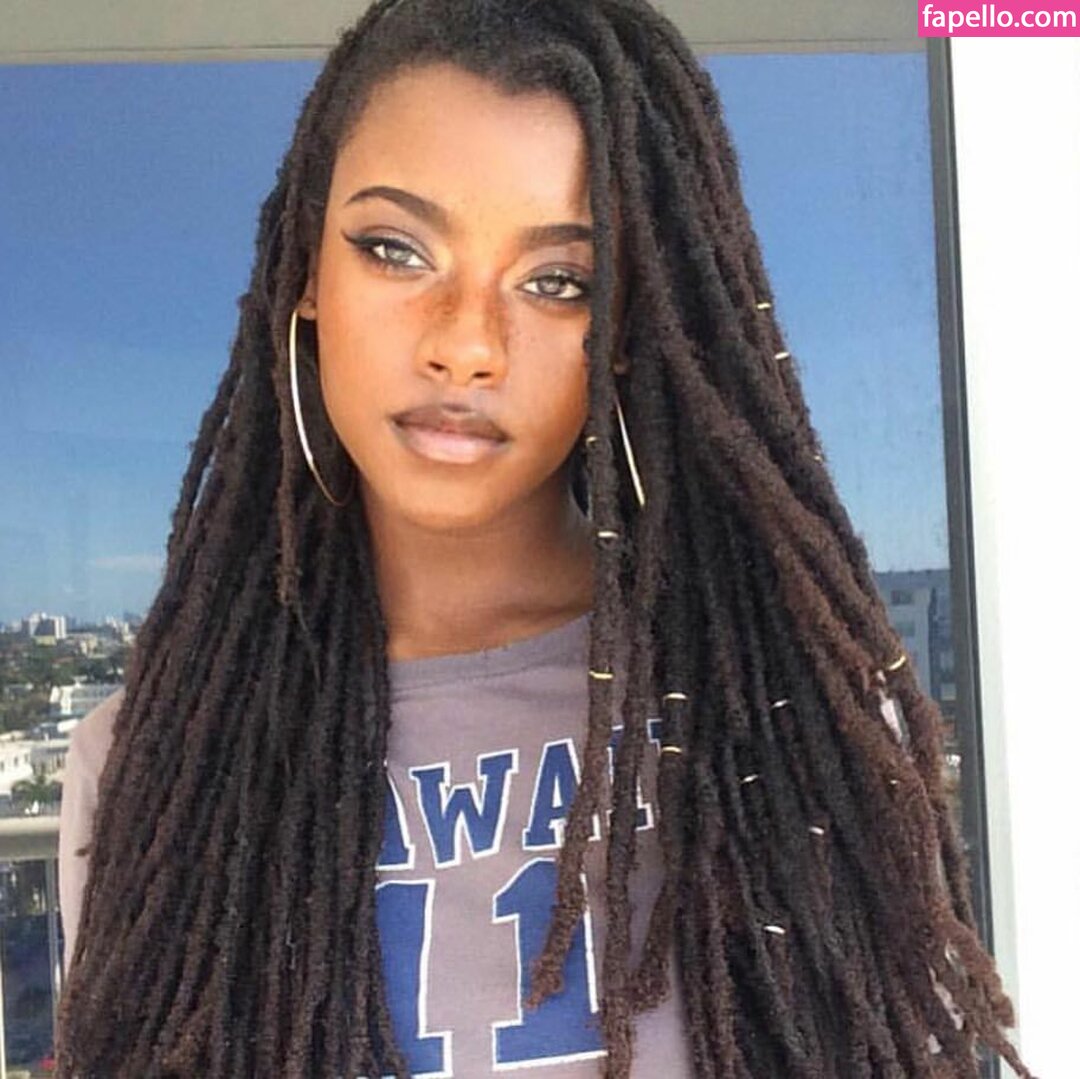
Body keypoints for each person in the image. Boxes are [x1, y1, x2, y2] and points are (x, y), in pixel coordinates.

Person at [54, 1, 1034, 1076]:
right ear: (306, 276)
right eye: (396, 249)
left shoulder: (798, 718)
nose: (467, 344)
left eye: (558, 280)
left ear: (625, 331)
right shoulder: (153, 765)